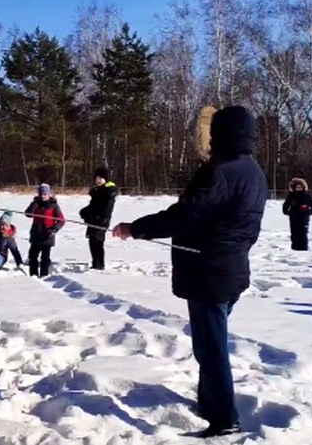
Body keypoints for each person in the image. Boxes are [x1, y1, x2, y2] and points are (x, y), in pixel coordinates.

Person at [112, 105, 268, 438]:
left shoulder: (220, 172)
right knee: (209, 344)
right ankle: (211, 404)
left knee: (211, 349)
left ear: (222, 133)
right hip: (231, 269)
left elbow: (185, 215)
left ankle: (225, 420)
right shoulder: (253, 170)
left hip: (210, 272)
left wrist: (134, 228)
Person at [80, 167, 117, 270]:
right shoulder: (97, 191)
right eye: (97, 178)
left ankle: (99, 265)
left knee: (98, 241)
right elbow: (93, 206)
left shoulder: (108, 192)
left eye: (101, 178)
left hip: (101, 221)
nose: (98, 180)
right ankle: (95, 263)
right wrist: (85, 212)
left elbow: (104, 209)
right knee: (92, 240)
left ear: (106, 179)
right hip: (94, 220)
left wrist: (92, 215)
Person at [25, 183, 65, 278]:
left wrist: (55, 228)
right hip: (36, 234)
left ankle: (44, 275)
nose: (43, 196)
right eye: (41, 194)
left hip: (47, 236)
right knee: (32, 256)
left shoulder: (54, 206)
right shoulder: (36, 204)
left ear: (49, 194)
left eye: (44, 194)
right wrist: (35, 203)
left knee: (45, 257)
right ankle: (33, 275)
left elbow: (61, 220)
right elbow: (28, 214)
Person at [282, 177, 312, 251]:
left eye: (300, 187)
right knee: (294, 234)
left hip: (303, 218)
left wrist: (308, 212)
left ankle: (304, 249)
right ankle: (294, 249)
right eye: (297, 187)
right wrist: (288, 213)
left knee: (303, 234)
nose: (299, 188)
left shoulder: (306, 196)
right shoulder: (291, 197)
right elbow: (285, 206)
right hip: (294, 218)